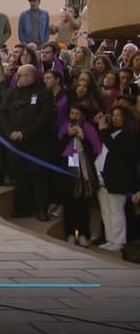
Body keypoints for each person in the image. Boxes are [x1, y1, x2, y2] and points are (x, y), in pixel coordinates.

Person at [0, 64, 56, 221]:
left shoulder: (43, 94)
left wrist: (24, 133)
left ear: (30, 77)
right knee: (19, 177)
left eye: (20, 75)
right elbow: (2, 112)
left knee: (39, 179)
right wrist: (10, 132)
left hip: (37, 143)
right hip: (15, 144)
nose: (16, 78)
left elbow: (44, 118)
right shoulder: (12, 93)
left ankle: (41, 210)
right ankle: (22, 208)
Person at [95, 106, 139, 252]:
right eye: (113, 115)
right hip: (105, 176)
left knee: (116, 211)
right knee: (106, 211)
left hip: (119, 179)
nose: (115, 118)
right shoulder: (113, 132)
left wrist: (103, 130)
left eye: (118, 115)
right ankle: (110, 238)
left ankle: (119, 240)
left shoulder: (129, 135)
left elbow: (115, 148)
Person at [59, 104, 101, 248]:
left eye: (77, 114)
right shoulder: (65, 127)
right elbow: (57, 148)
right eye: (72, 113)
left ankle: (84, 234)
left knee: (83, 204)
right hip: (67, 169)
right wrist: (67, 135)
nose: (74, 116)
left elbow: (95, 150)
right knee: (69, 203)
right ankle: (69, 233)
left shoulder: (88, 128)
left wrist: (83, 138)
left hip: (84, 170)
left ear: (83, 116)